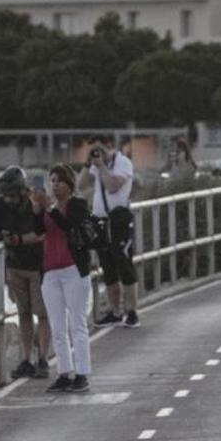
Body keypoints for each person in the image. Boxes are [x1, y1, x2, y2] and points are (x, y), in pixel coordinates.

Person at [32, 164, 92, 393]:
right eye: (52, 180)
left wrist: (49, 208)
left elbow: (69, 227)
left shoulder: (77, 204)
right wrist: (39, 209)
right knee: (57, 326)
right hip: (50, 272)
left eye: (59, 180)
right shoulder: (50, 208)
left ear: (69, 184)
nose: (55, 185)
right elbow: (39, 230)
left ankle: (82, 373)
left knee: (77, 324)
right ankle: (64, 372)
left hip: (73, 269)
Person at [0, 166, 51, 380]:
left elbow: (43, 233)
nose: (9, 200)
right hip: (15, 266)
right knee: (23, 312)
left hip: (38, 266)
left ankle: (43, 358)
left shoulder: (35, 204)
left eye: (13, 195)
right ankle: (26, 359)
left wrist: (19, 239)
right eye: (5, 196)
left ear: (23, 191)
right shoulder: (0, 205)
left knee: (42, 314)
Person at [81, 134, 139, 329]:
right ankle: (115, 312)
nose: (99, 154)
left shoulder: (123, 163)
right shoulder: (97, 165)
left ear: (109, 147)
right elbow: (81, 186)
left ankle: (131, 311)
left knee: (124, 265)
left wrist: (102, 166)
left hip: (119, 221)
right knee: (108, 268)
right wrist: (87, 162)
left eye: (100, 150)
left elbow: (113, 186)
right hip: (101, 222)